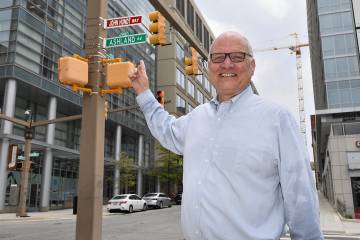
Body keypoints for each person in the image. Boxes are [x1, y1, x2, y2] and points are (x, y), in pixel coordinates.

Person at [129, 31, 323, 240]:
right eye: (218, 57)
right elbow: (167, 130)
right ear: (209, 66)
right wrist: (144, 92)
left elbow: (300, 197)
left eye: (237, 57)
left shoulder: (277, 119)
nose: (227, 64)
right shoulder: (197, 117)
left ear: (252, 66)